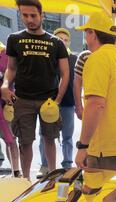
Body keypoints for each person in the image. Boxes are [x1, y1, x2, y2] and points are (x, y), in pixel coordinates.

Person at [1, 0, 69, 180]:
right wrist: (5, 85)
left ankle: (53, 177)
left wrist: (59, 99)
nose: (29, 19)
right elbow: (11, 68)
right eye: (25, 15)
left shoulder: (56, 43)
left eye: (33, 15)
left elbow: (65, 73)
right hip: (22, 99)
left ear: (42, 15)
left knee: (50, 139)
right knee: (25, 143)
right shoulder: (14, 39)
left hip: (49, 100)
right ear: (20, 14)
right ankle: (26, 181)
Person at [74, 11, 116, 171]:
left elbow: (95, 104)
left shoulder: (97, 58)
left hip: (104, 147)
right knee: (114, 193)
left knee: (101, 194)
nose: (86, 39)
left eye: (86, 33)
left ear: (92, 34)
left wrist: (83, 146)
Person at [37, 27, 78, 176]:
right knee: (45, 136)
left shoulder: (74, 59)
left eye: (66, 40)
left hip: (67, 103)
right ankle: (44, 165)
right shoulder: (46, 57)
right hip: (48, 103)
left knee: (67, 136)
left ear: (69, 42)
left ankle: (67, 164)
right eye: (60, 39)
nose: (63, 42)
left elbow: (78, 82)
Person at [0, 41, 20, 177]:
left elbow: (12, 75)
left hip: (6, 103)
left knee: (11, 139)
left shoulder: (4, 52)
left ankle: (16, 172)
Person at [73, 49, 91, 120]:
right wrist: (78, 106)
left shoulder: (113, 55)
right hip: (89, 102)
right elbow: (77, 82)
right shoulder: (85, 55)